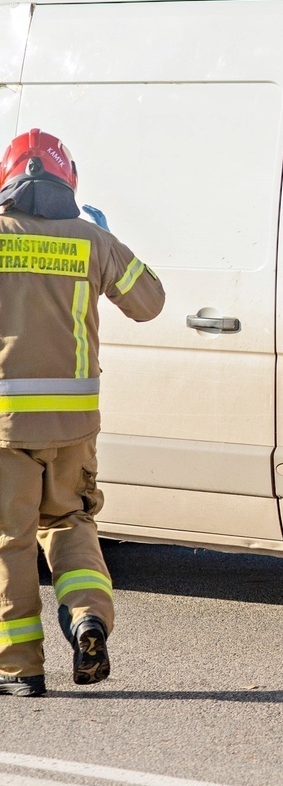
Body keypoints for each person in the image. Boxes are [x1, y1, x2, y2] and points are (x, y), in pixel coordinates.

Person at [0, 129, 165, 697]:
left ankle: (19, 667)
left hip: (6, 427)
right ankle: (88, 616)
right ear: (67, 181)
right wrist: (105, 239)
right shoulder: (92, 241)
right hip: (74, 426)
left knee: (10, 539)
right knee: (69, 521)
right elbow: (150, 303)